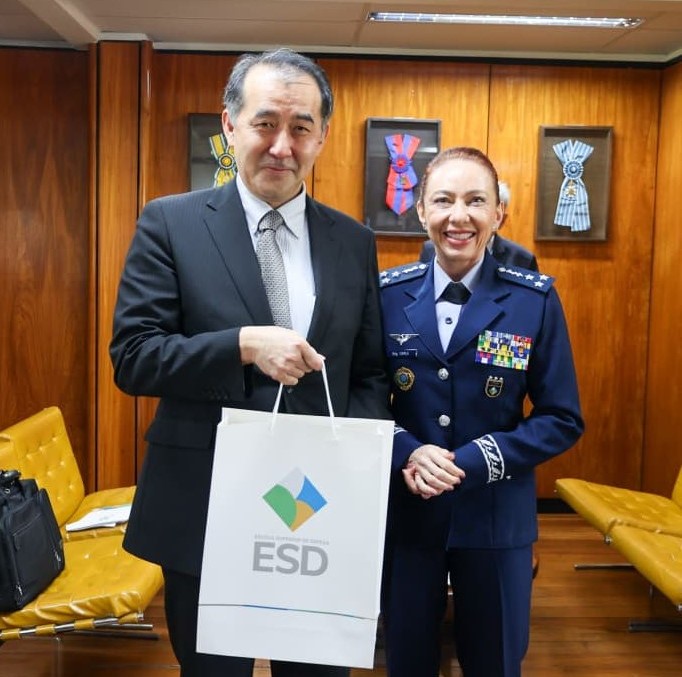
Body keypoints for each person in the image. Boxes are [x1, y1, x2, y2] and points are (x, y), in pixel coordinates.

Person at [109, 48, 389, 677]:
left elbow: (368, 372)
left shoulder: (353, 241)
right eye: (265, 123)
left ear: (322, 136)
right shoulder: (171, 223)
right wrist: (240, 345)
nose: (282, 146)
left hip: (317, 511)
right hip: (207, 505)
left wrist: (356, 468)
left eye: (301, 127)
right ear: (230, 125)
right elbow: (134, 357)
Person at [379, 147, 583, 677]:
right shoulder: (385, 296)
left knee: (494, 662)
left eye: (475, 201)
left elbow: (562, 417)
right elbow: (366, 400)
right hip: (409, 515)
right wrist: (409, 452)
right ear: (421, 210)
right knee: (407, 662)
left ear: (499, 214)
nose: (459, 216)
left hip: (496, 518)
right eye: (443, 200)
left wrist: (473, 460)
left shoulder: (533, 301)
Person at [419, 181, 538, 271]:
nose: (460, 217)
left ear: (499, 218)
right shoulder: (431, 248)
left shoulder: (522, 259)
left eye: (478, 203)